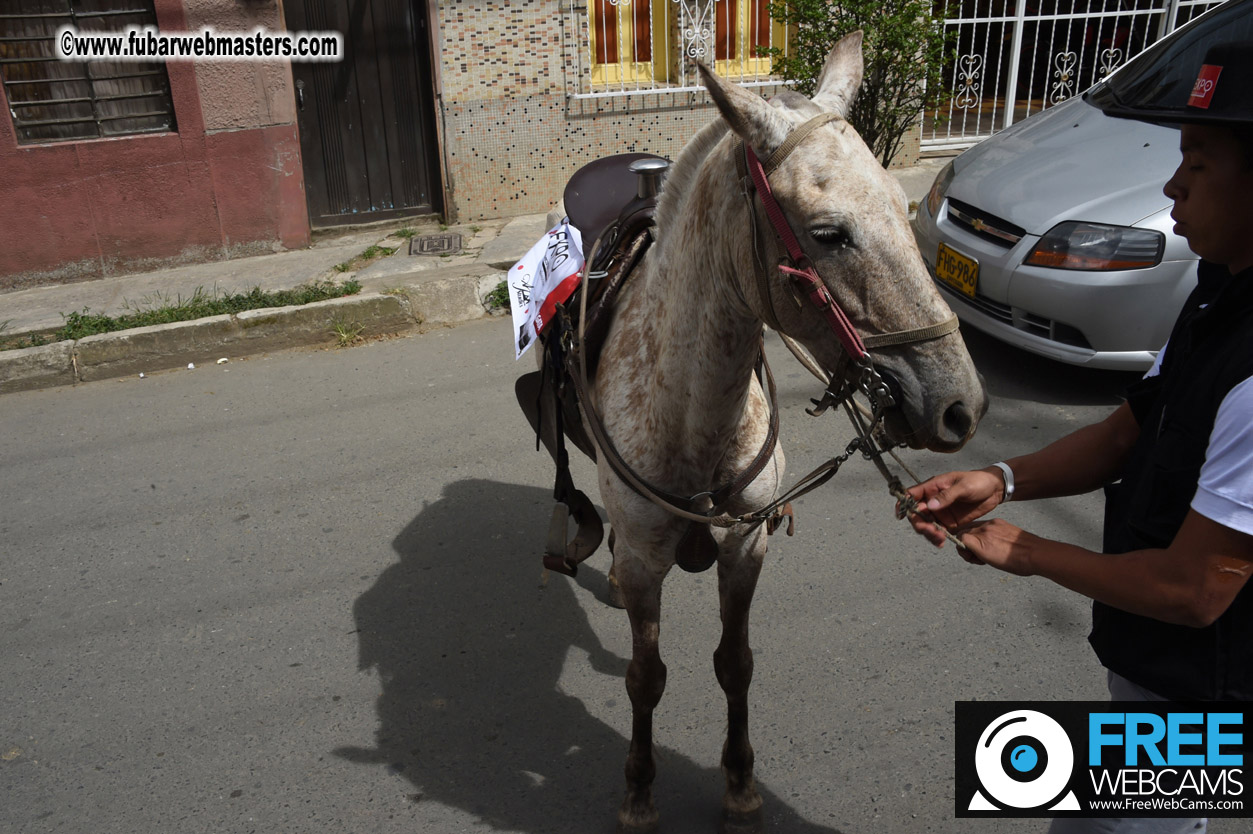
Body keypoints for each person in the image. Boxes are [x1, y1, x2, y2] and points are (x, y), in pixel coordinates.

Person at [905, 42, 1253, 834]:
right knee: (1073, 808)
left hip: (1201, 698)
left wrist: (1020, 550)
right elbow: (1131, 428)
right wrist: (999, 477)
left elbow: (1194, 591)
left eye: (1197, 164)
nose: (1171, 186)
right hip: (1148, 670)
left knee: (1099, 809)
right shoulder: (1217, 291)